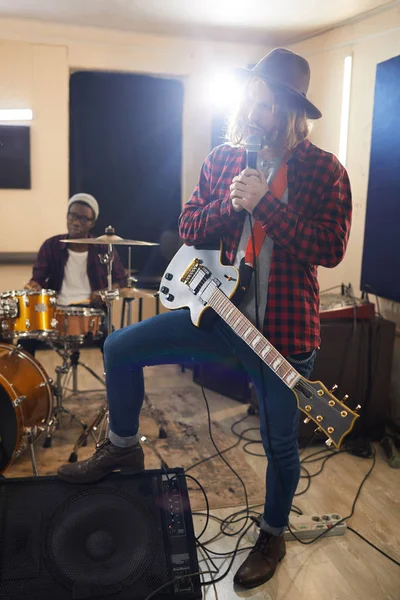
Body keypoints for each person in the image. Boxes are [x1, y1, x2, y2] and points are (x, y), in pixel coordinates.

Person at [57, 49, 352, 589]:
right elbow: (189, 222)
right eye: (252, 100)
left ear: (292, 113)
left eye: (267, 104)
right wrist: (233, 206)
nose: (254, 112)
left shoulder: (324, 170)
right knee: (121, 347)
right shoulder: (222, 158)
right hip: (218, 318)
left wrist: (266, 205)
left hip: (282, 335)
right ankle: (123, 446)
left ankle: (272, 532)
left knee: (280, 445)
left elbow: (330, 247)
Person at [19, 193, 126, 356]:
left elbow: (121, 281)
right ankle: (30, 381)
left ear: (93, 223)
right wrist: (34, 286)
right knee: (24, 341)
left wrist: (104, 293)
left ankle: (114, 382)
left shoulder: (103, 248)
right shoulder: (51, 246)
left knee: (113, 344)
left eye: (83, 219)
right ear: (67, 216)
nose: (76, 222)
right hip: (54, 311)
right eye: (73, 216)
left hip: (91, 311)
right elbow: (37, 279)